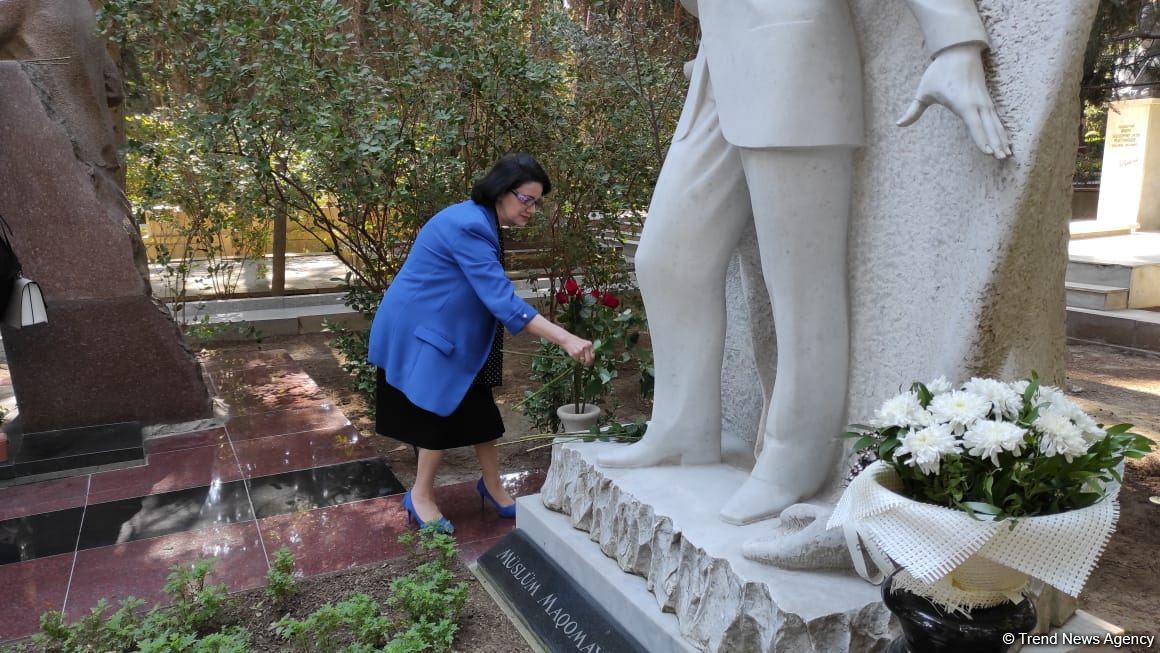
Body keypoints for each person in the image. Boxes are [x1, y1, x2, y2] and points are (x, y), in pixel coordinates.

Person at [598, 0, 1011, 527]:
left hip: (797, 59)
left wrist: (953, 42)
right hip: (718, 69)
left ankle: (795, 455)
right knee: (665, 261)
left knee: (800, 288)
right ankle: (682, 428)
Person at [368, 153, 595, 533]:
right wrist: (565, 338)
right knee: (435, 415)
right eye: (527, 199)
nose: (532, 209)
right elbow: (501, 299)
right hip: (426, 335)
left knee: (479, 413)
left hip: (460, 337)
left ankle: (491, 485)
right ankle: (420, 495)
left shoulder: (481, 221)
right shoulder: (469, 225)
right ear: (502, 190)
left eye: (537, 203)